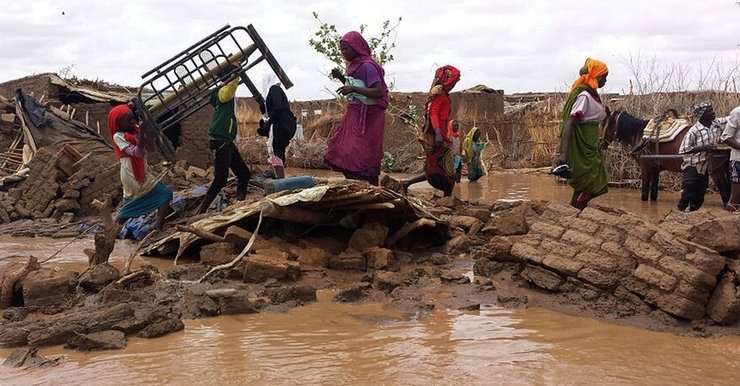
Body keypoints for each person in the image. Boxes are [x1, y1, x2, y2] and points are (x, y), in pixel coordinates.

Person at [324, 31, 389, 185]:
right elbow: (355, 83)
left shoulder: (368, 67)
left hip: (369, 117)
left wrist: (352, 90)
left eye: (346, 49)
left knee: (363, 152)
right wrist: (340, 77)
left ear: (356, 48)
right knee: (341, 147)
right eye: (341, 50)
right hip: (355, 113)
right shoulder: (353, 66)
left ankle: (371, 186)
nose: (343, 53)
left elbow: (378, 92)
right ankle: (355, 183)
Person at [554, 58, 610, 210]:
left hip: (590, 146)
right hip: (582, 147)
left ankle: (576, 210)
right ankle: (576, 210)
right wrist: (564, 153)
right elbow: (570, 123)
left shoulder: (592, 94)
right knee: (587, 183)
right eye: (604, 76)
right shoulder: (584, 95)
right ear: (596, 76)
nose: (606, 80)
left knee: (595, 181)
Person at [107, 104, 173, 229]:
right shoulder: (118, 136)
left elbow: (151, 149)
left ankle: (112, 229)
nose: (133, 121)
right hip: (131, 173)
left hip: (139, 172)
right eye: (129, 120)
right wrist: (143, 132)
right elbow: (137, 153)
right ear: (119, 123)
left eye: (133, 118)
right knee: (165, 194)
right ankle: (158, 229)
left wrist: (150, 134)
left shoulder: (135, 131)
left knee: (130, 204)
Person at [198, 64, 251, 214]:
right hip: (221, 141)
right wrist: (236, 76)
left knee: (244, 174)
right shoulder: (221, 92)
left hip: (226, 141)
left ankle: (240, 206)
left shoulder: (223, 91)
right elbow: (227, 93)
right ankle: (201, 212)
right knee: (221, 179)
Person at [401, 65, 461, 196]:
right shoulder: (440, 96)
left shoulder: (437, 95)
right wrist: (439, 133)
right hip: (438, 137)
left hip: (437, 136)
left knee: (434, 167)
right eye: (455, 81)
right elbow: (433, 114)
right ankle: (447, 199)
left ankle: (406, 184)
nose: (455, 84)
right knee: (444, 171)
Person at [678, 101, 720, 211]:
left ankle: (692, 216)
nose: (713, 113)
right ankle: (678, 216)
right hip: (692, 166)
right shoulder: (694, 131)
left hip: (704, 167)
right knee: (688, 194)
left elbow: (729, 120)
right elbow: (684, 149)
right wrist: (704, 147)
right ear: (702, 115)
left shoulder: (716, 125)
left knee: (699, 197)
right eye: (709, 111)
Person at [257, 73, 297, 179]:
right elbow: (270, 112)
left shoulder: (274, 89)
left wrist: (268, 124)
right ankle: (278, 176)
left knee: (276, 150)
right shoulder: (275, 91)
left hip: (282, 124)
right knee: (278, 149)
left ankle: (279, 178)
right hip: (285, 124)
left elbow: (278, 108)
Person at [721, 106, 740, 212]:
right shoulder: (737, 112)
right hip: (738, 161)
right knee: (736, 197)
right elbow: (726, 137)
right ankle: (724, 226)